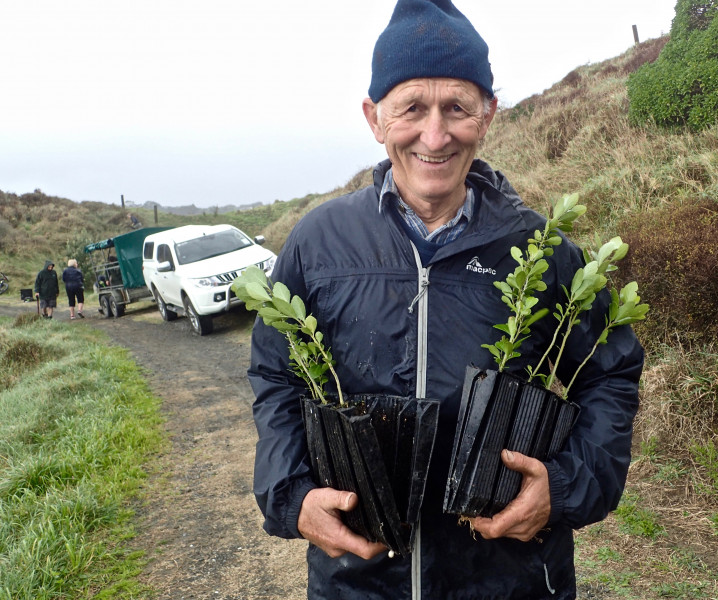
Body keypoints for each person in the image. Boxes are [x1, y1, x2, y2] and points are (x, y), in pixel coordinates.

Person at [247, 1, 645, 598]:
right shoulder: (318, 244)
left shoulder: (542, 250)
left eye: (457, 107)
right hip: (358, 583)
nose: (435, 135)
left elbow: (609, 374)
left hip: (508, 578)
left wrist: (563, 486)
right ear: (374, 117)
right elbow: (277, 376)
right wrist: (293, 495)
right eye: (412, 107)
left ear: (486, 115)